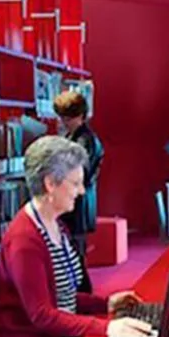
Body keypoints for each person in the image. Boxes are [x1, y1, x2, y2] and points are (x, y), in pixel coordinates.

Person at [0, 136, 153, 337]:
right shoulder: (24, 240)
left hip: (54, 335)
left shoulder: (56, 226)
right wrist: (106, 328)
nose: (81, 191)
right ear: (50, 184)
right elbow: (42, 316)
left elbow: (61, 295)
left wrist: (105, 303)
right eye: (75, 183)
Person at [54, 90, 100, 253]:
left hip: (78, 204)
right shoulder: (73, 136)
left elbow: (79, 173)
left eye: (68, 118)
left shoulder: (84, 140)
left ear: (81, 115)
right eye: (62, 118)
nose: (64, 122)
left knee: (75, 254)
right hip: (75, 202)